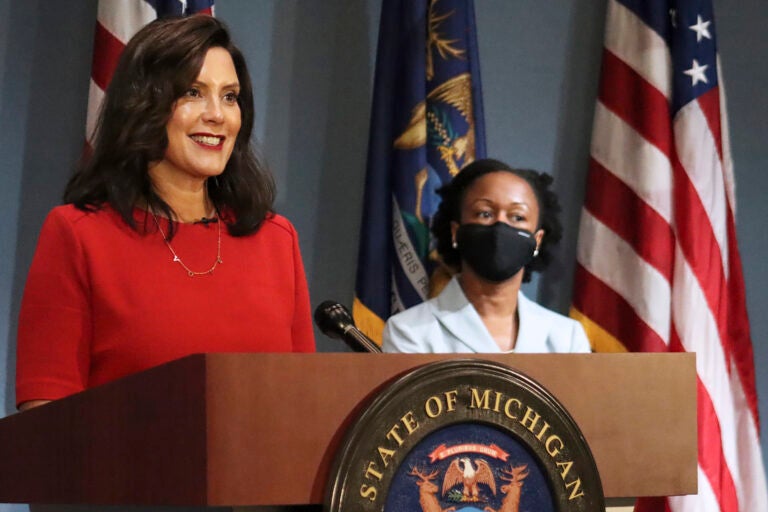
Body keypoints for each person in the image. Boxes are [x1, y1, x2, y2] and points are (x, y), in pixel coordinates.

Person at [16, 16, 315, 410]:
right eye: (193, 92)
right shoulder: (79, 235)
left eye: (230, 96)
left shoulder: (276, 239)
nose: (218, 115)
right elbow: (45, 415)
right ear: (144, 105)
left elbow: (305, 404)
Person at [382, 158, 590, 354]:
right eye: (485, 213)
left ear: (537, 240)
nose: (500, 225)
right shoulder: (410, 331)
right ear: (455, 232)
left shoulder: (567, 338)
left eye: (517, 217)